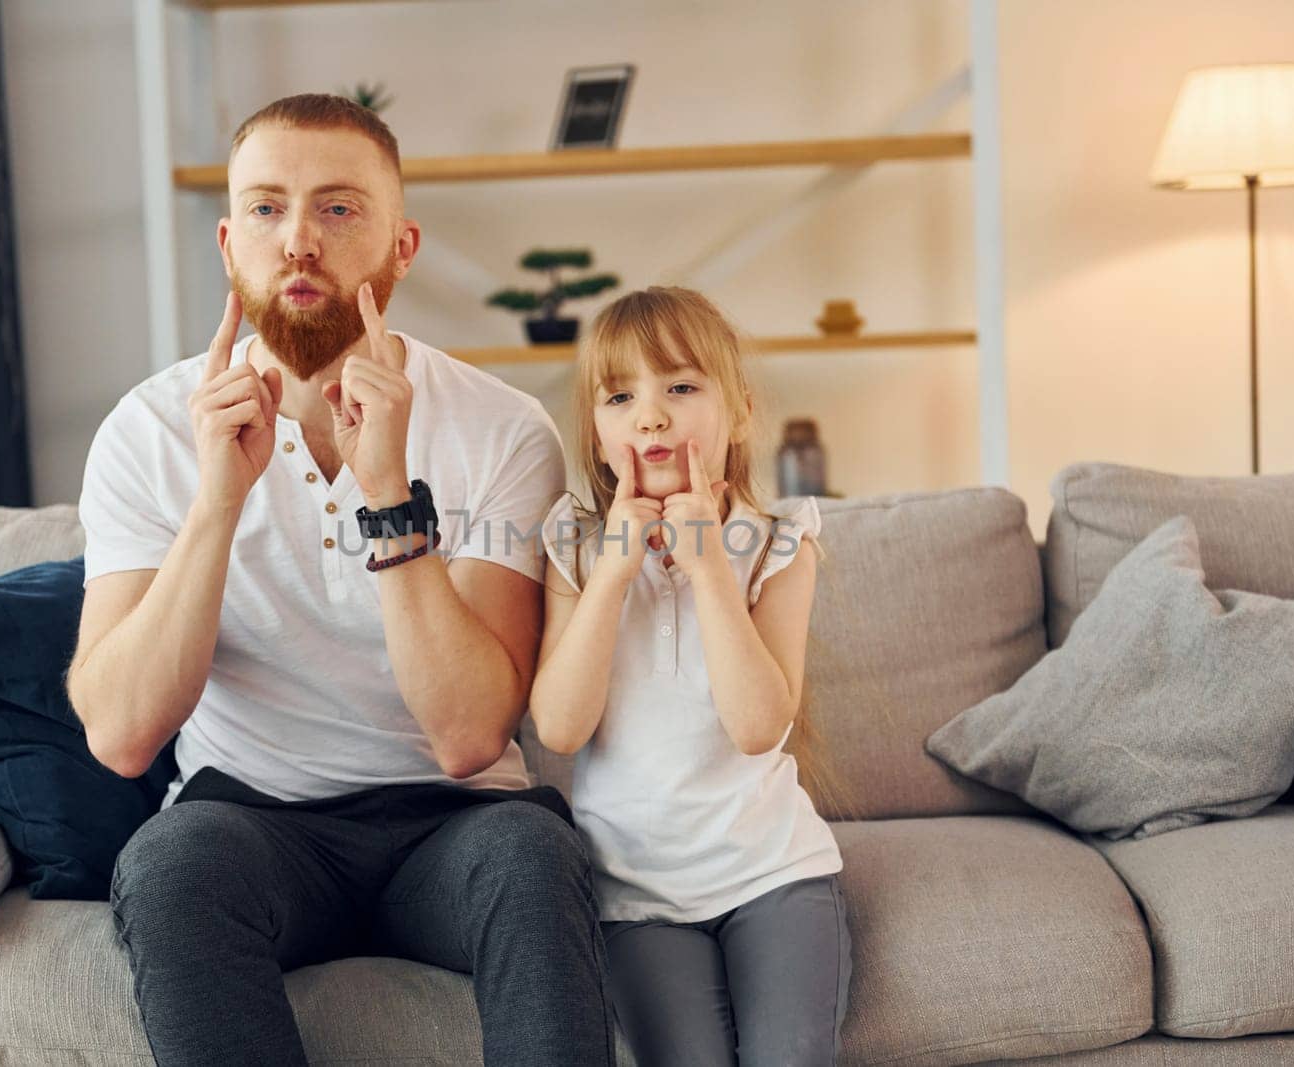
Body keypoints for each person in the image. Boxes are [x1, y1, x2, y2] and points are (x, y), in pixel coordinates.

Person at [66, 94, 613, 1067]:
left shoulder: (500, 428)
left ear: (401, 247)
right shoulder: (147, 431)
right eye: (269, 210)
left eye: (338, 209)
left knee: (535, 859)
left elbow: (468, 734)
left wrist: (387, 493)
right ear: (230, 241)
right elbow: (120, 733)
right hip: (251, 817)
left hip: (455, 824)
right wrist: (216, 504)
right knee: (168, 861)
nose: (299, 241)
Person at [529, 287, 852, 1066]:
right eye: (621, 396)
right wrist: (611, 574)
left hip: (774, 874)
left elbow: (757, 726)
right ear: (598, 434)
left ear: (739, 412)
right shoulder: (574, 545)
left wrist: (709, 571)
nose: (651, 415)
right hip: (635, 896)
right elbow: (560, 728)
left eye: (680, 386)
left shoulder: (779, 541)